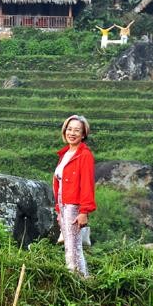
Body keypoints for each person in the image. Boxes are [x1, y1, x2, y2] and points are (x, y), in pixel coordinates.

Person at [52, 115, 96, 278]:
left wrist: (84, 211)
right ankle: (78, 277)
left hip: (74, 206)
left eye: (77, 130)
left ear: (83, 134)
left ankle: (79, 279)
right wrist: (58, 210)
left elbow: (87, 184)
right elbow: (59, 185)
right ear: (64, 131)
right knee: (69, 246)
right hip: (63, 206)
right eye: (69, 129)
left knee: (74, 246)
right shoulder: (64, 154)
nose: (72, 133)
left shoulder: (84, 155)